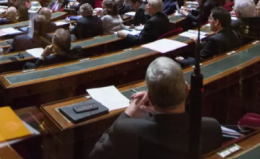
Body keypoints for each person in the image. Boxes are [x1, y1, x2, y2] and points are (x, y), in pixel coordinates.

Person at [90, 57, 225, 159]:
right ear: (186, 89)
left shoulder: (126, 129)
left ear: (150, 98)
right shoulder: (212, 128)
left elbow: (95, 156)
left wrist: (127, 115)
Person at [176, 7, 240, 67]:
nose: (209, 21)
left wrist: (183, 60)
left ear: (217, 22)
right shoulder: (233, 33)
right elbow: (211, 49)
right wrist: (199, 44)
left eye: (210, 18)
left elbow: (199, 61)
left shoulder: (214, 40)